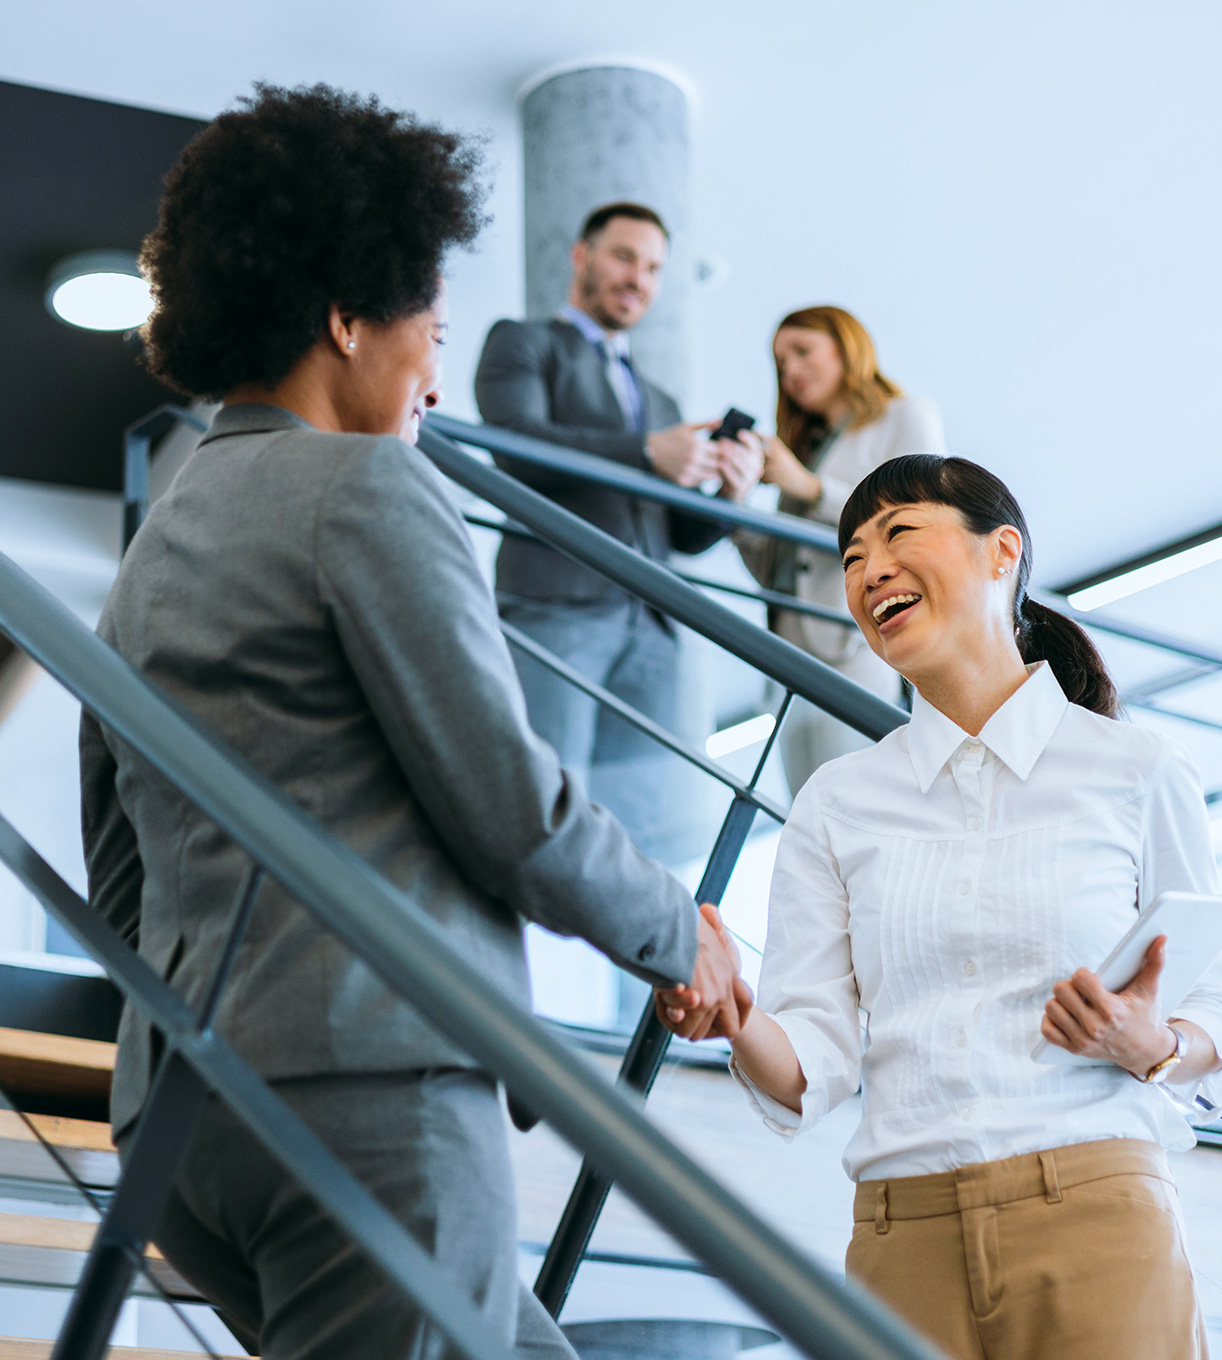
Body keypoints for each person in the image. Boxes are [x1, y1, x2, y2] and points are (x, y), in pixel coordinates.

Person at [81, 85, 739, 1360]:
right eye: (428, 332)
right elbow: (509, 802)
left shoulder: (157, 542)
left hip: (187, 1122)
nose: (435, 375)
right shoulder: (365, 486)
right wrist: (678, 934)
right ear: (345, 318)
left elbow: (118, 865)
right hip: (371, 1100)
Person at [665, 455, 1222, 1360]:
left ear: (1000, 552)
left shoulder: (1137, 772)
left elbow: (1214, 1018)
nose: (868, 572)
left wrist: (1150, 1044)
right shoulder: (835, 801)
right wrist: (737, 1015)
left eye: (898, 534)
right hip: (903, 1244)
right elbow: (813, 1057)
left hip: (1097, 1216)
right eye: (852, 556)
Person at [474, 203, 761, 853]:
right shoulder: (522, 342)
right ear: (582, 256)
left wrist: (728, 495)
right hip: (556, 609)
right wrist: (642, 452)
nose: (640, 278)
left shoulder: (658, 400)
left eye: (654, 267)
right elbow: (515, 446)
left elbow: (679, 536)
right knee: (544, 809)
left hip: (653, 629)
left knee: (644, 834)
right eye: (625, 257)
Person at [737, 305, 945, 793]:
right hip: (789, 652)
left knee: (860, 801)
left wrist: (811, 488)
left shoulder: (903, 416)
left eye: (802, 351)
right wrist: (735, 506)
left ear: (846, 349)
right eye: (780, 362)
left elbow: (919, 517)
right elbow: (775, 569)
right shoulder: (807, 448)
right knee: (811, 809)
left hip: (854, 639)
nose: (790, 371)